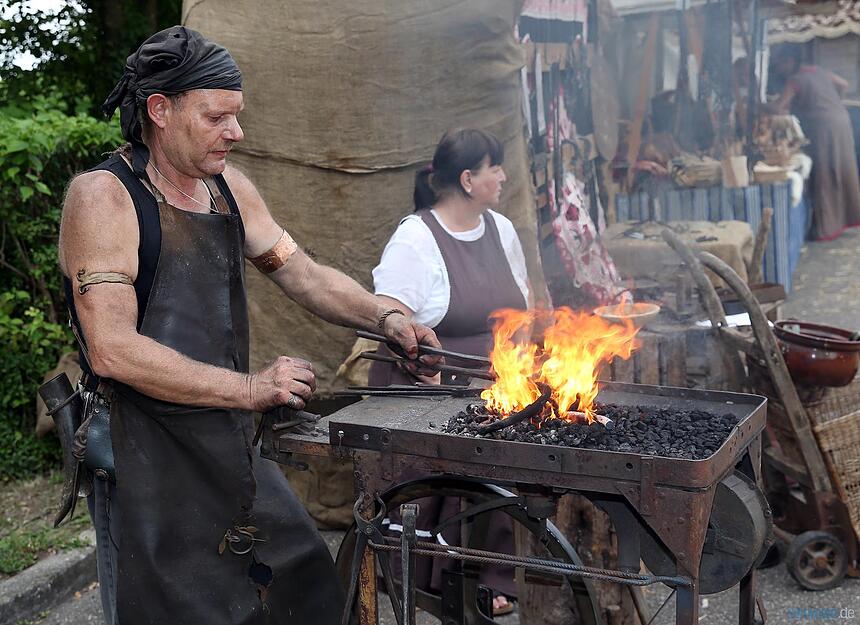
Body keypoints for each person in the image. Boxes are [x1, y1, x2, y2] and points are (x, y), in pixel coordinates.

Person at [57, 26, 440, 625]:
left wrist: (388, 317)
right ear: (159, 110)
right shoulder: (104, 199)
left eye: (236, 115)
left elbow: (305, 276)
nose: (235, 132)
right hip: (143, 458)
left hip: (227, 445)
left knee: (305, 586)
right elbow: (112, 350)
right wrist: (252, 389)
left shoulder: (227, 188)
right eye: (216, 117)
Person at [368, 128, 531, 615]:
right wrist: (437, 382)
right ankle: (445, 575)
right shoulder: (415, 240)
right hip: (428, 383)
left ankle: (498, 572)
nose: (502, 176)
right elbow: (390, 321)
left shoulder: (501, 229)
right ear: (467, 179)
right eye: (493, 167)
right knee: (470, 458)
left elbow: (520, 309)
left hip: (496, 379)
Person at [771, 46, 860, 241]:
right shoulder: (818, 71)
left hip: (823, 127)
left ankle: (826, 228)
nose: (780, 69)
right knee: (844, 168)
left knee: (824, 173)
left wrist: (763, 106)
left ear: (789, 62)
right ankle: (848, 218)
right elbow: (843, 84)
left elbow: (779, 107)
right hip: (842, 121)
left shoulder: (795, 80)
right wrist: (836, 102)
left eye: (781, 64)